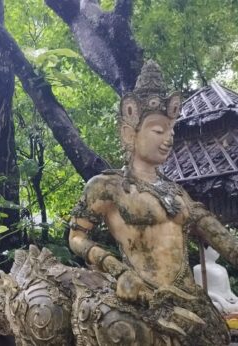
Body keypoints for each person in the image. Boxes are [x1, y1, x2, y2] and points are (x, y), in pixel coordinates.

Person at [67, 60, 238, 345]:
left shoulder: (178, 193)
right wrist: (116, 269)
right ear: (128, 133)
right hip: (143, 301)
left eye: (171, 131)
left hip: (193, 302)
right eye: (159, 131)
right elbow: (76, 236)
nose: (168, 139)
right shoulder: (107, 187)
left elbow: (222, 239)